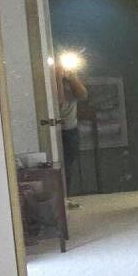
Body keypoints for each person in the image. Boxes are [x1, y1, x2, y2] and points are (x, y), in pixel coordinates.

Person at [56, 62, 89, 192]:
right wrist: (57, 77)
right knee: (57, 167)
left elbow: (83, 95)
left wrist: (71, 76)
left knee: (68, 167)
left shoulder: (69, 79)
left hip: (70, 130)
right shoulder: (47, 80)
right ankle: (61, 197)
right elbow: (58, 102)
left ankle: (65, 196)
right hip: (55, 129)